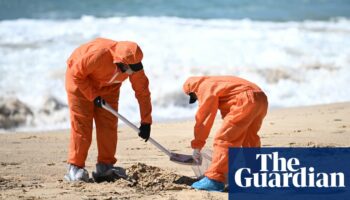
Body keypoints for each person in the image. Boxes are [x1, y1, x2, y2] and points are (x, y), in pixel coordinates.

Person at [64, 38, 152, 182]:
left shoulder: (134, 64)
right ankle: (75, 167)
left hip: (109, 86)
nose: (132, 72)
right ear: (120, 62)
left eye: (135, 68)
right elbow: (76, 74)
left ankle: (105, 166)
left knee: (109, 124)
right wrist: (93, 96)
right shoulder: (99, 54)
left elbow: (143, 92)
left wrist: (146, 121)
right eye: (128, 69)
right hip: (80, 82)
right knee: (82, 124)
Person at [183, 76, 268, 191]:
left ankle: (214, 179)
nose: (198, 99)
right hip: (261, 98)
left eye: (194, 97)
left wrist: (197, 146)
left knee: (224, 139)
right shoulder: (218, 82)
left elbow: (204, 118)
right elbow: (229, 110)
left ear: (193, 90)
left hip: (245, 99)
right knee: (250, 139)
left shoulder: (204, 86)